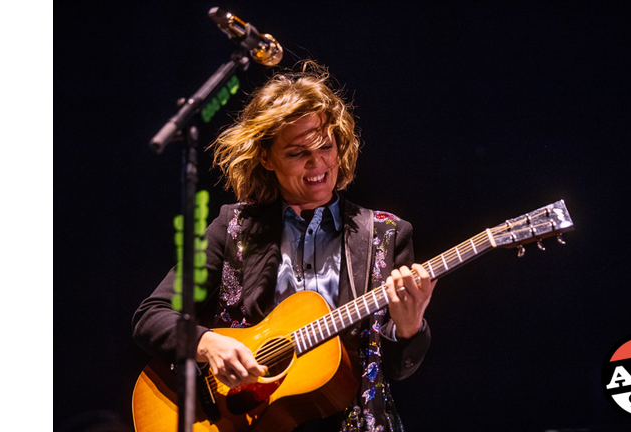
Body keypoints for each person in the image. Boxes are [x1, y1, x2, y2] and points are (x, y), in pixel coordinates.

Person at [132, 60, 435, 432]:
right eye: (296, 153)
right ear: (266, 157)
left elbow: (395, 371)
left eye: (325, 146)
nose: (317, 163)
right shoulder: (235, 228)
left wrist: (408, 328)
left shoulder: (385, 234)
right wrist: (208, 344)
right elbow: (152, 314)